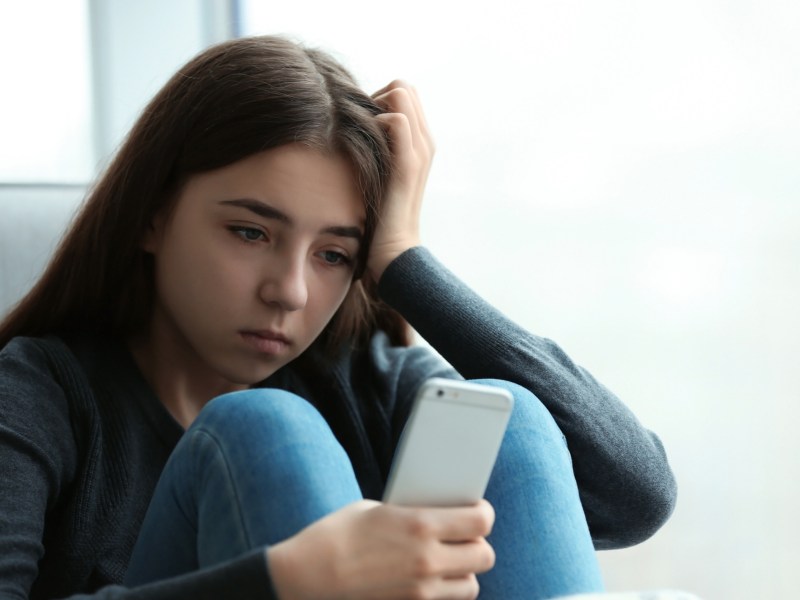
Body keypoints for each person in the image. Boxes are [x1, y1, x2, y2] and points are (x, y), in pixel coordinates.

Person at [0, 35, 677, 600]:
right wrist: (285, 578)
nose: (290, 292)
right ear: (152, 213)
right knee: (263, 430)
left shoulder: (363, 387)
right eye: (250, 233)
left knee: (506, 413)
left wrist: (406, 263)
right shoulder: (37, 393)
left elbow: (635, 496)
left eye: (332, 254)